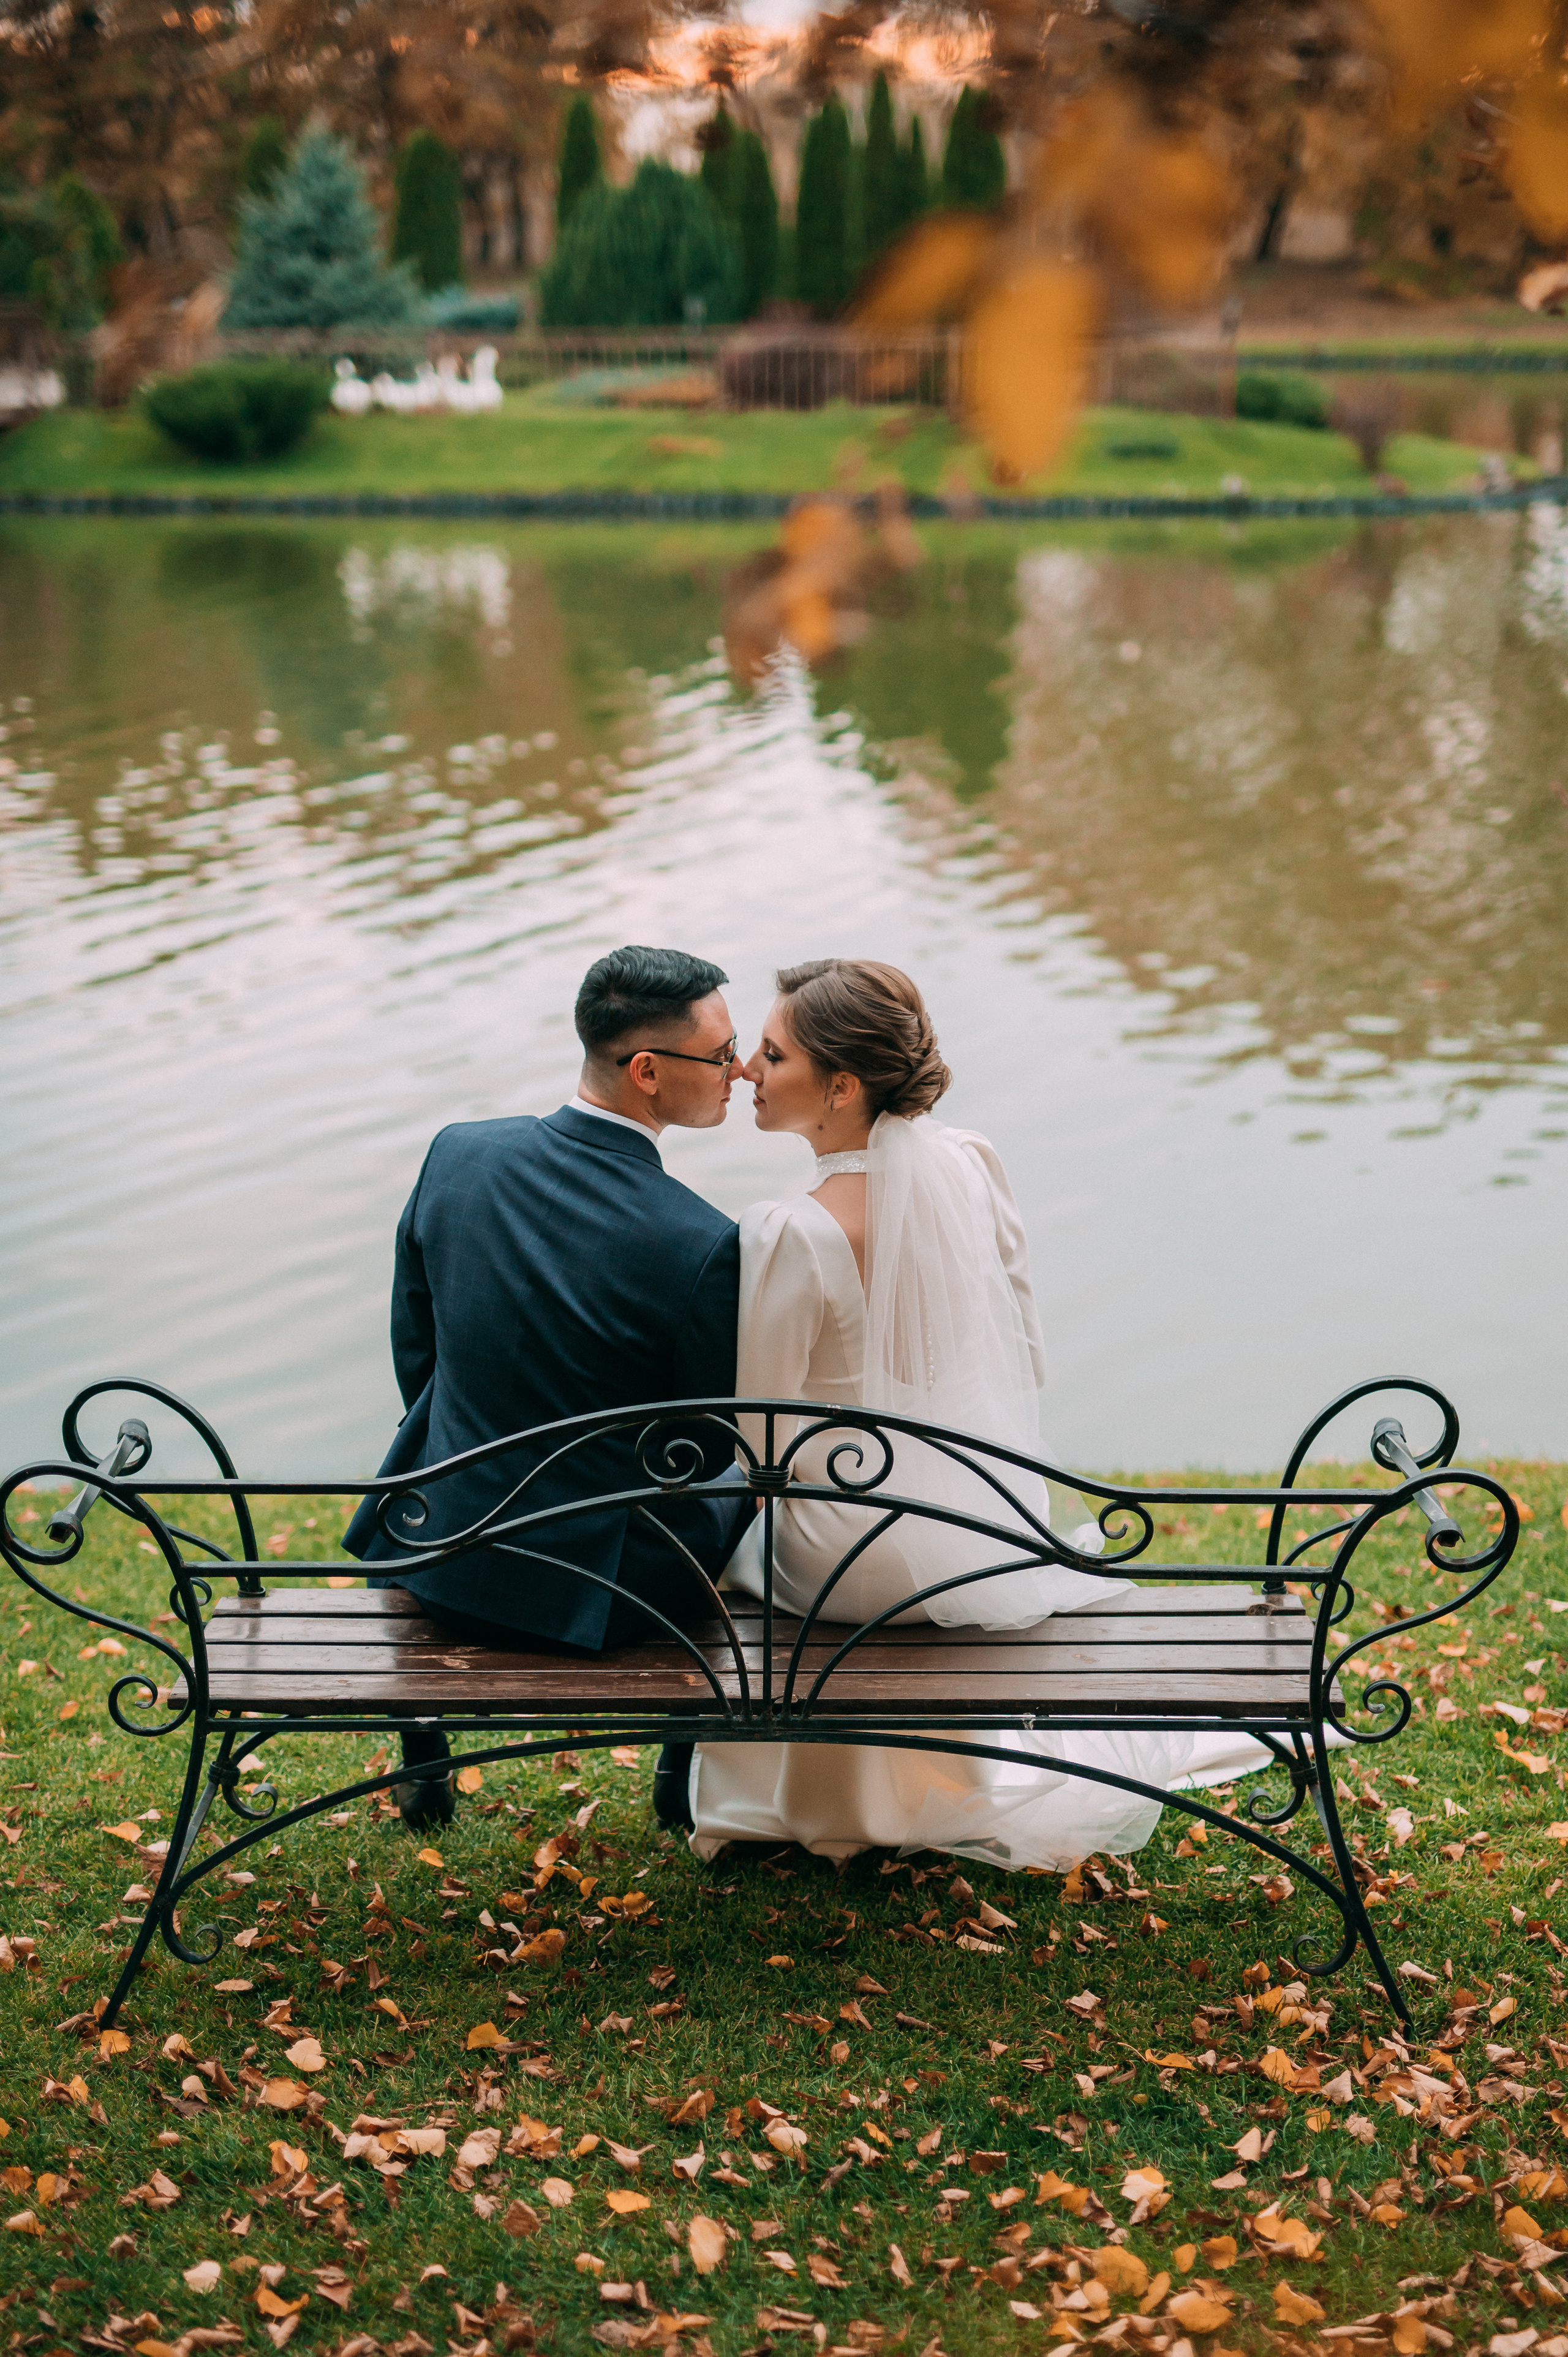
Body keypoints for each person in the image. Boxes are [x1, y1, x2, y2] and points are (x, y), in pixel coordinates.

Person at [677, 958, 1199, 1869]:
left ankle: (752, 1792)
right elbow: (1025, 1347)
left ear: (840, 1087)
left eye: (770, 1054)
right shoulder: (972, 1163)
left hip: (846, 1567)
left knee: (721, 1547)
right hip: (977, 1529)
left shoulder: (788, 1229)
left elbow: (759, 1438)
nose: (747, 1072)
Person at [342, 945, 751, 1828]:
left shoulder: (457, 1155)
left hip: (435, 1550)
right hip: (603, 1598)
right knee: (744, 1493)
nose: (741, 1068)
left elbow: (417, 1350)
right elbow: (703, 1445)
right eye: (722, 1054)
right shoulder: (702, 1241)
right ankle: (678, 1777)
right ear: (646, 1071)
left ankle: (425, 1752)